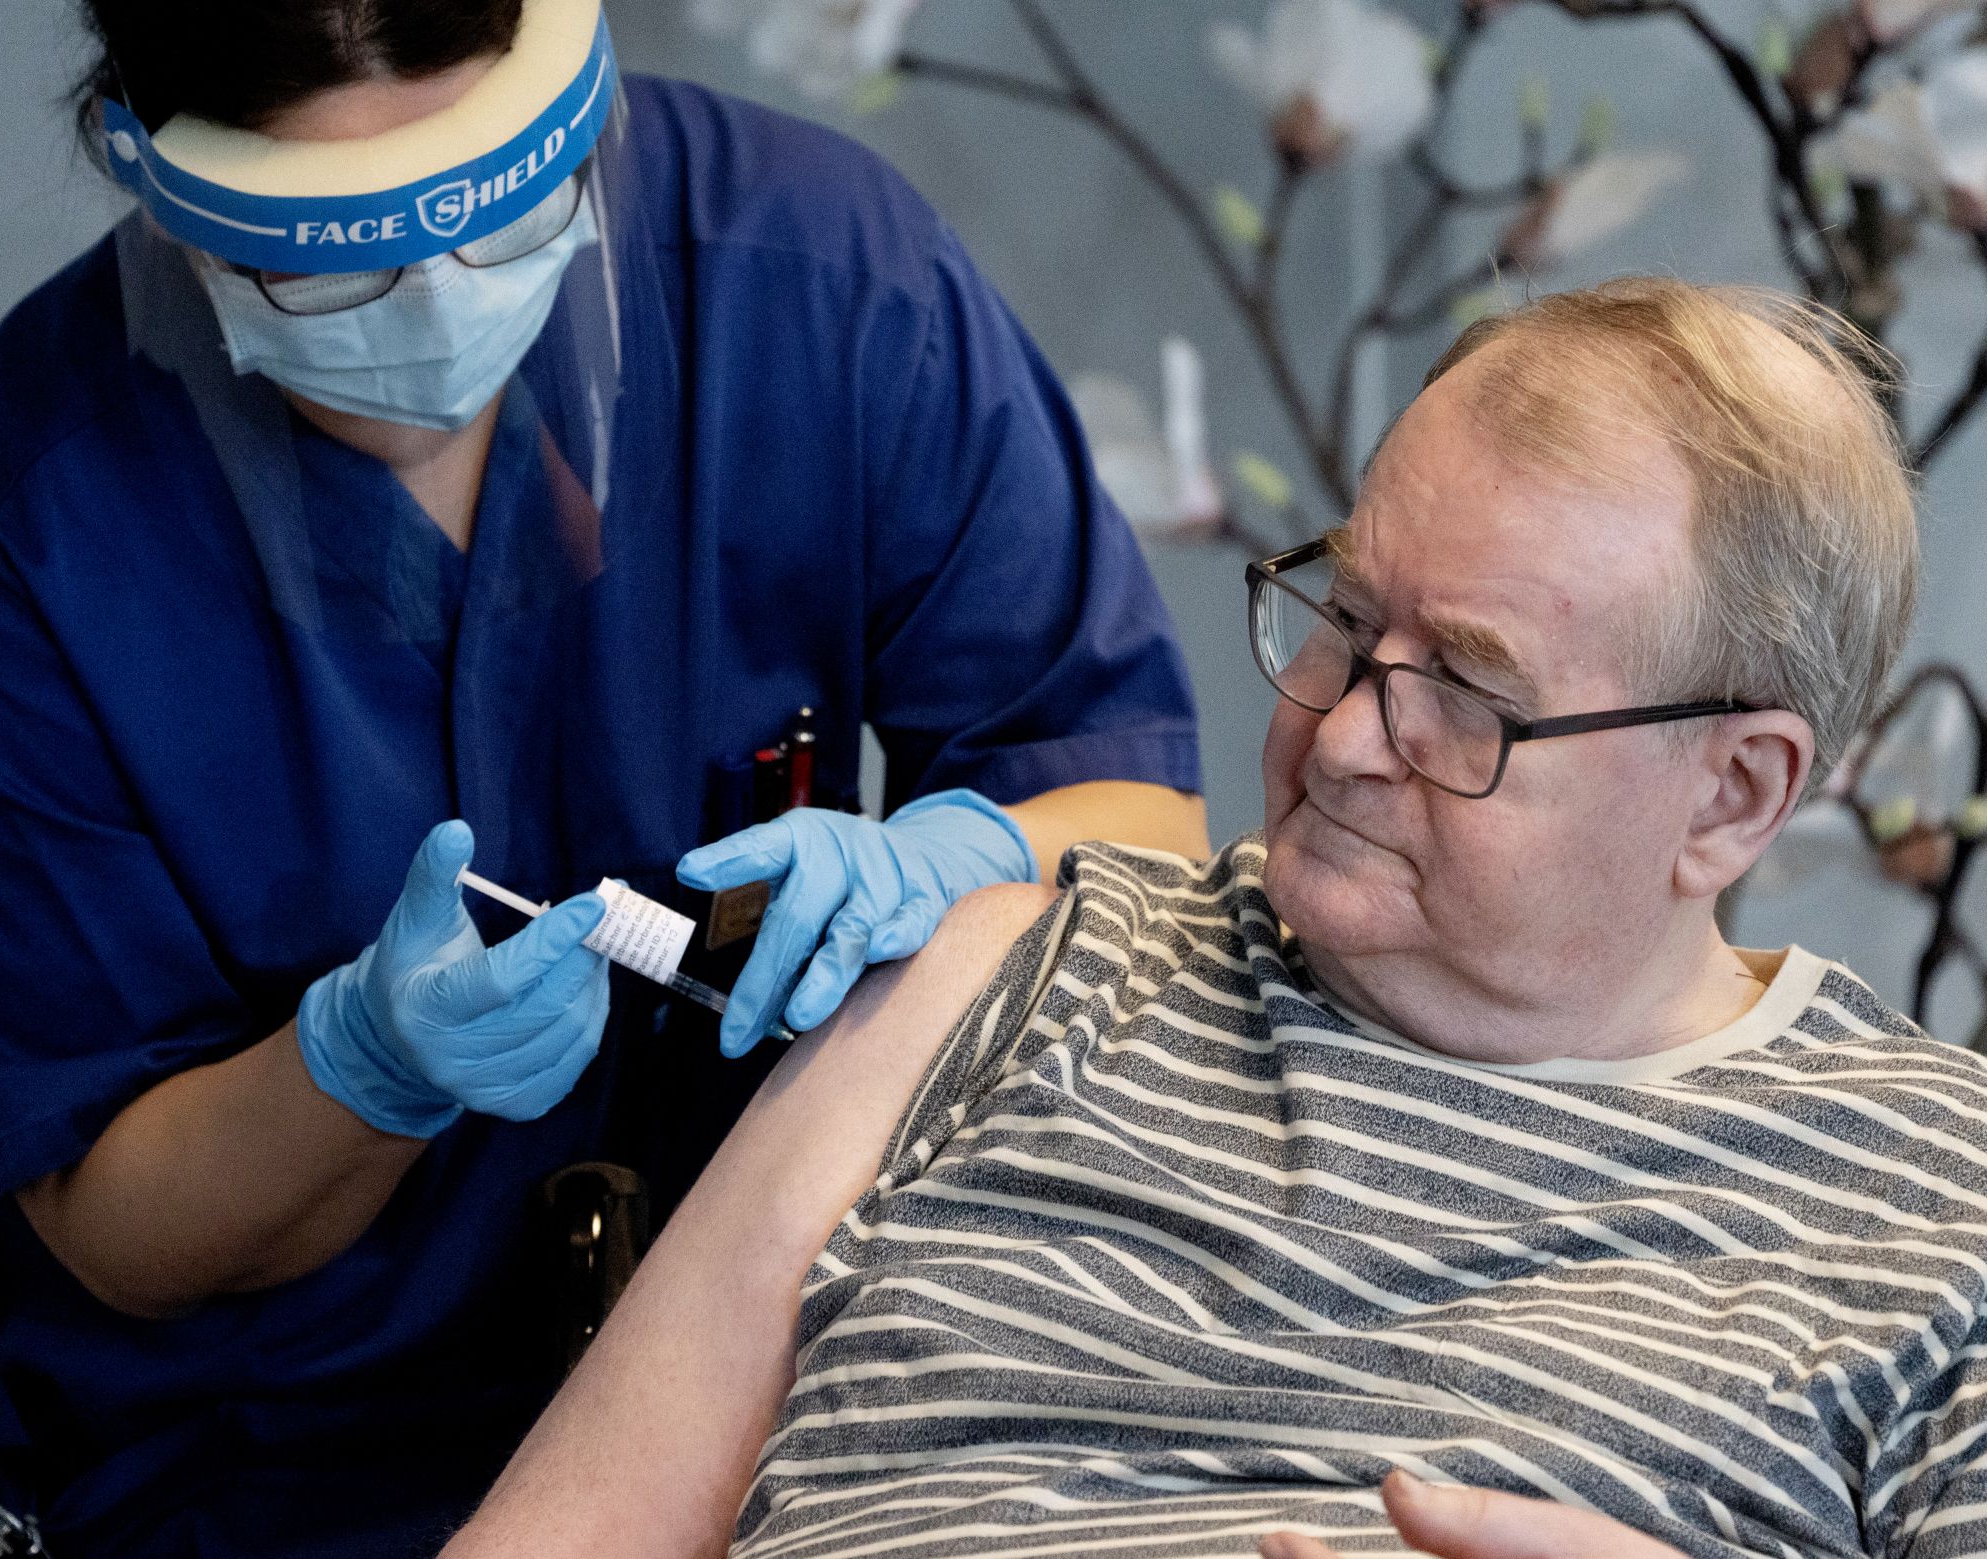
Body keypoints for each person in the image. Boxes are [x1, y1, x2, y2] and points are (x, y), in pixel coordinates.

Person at [0, 0, 1212, 1552]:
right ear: (156, 177)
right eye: (336, 265)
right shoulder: (9, 539)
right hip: (264, 1474)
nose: (439, 298)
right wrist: (356, 1070)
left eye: (504, 216)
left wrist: (968, 863)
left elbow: (1138, 816)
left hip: (777, 1398)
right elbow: (121, 1228)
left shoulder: (815, 277)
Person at [443, 278, 1987, 1559]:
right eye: (1346, 619)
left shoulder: (1942, 1215)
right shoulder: (1007, 977)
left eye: (1466, 690)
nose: (1344, 736)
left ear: (1732, 795)